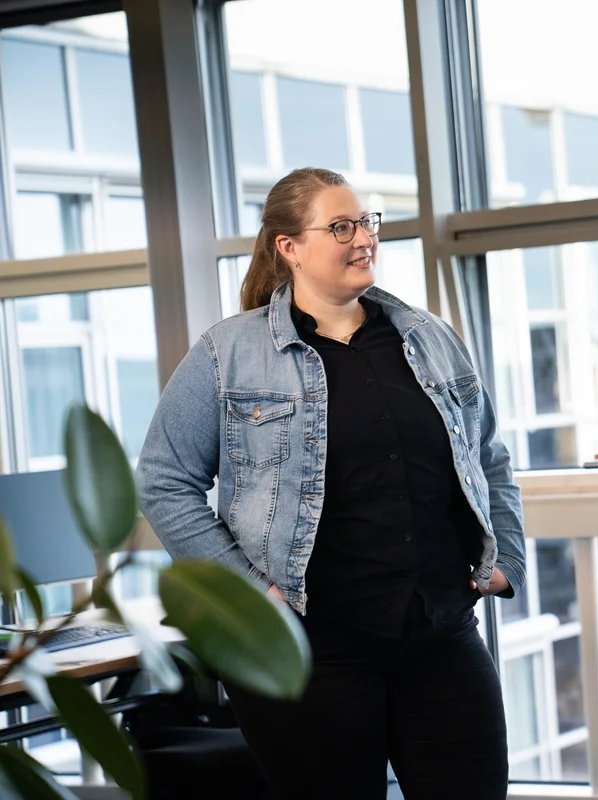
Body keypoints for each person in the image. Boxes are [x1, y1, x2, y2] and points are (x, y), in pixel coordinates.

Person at [138, 167, 525, 800]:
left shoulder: (430, 339)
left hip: (441, 633)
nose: (362, 238)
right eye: (340, 226)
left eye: (365, 223)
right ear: (288, 248)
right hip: (308, 650)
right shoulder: (226, 352)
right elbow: (163, 481)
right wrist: (248, 593)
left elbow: (489, 456)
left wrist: (506, 559)